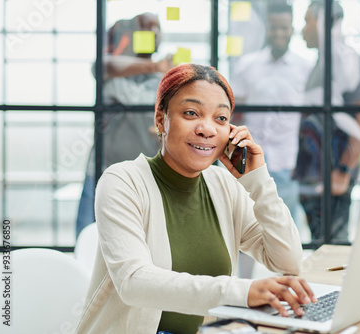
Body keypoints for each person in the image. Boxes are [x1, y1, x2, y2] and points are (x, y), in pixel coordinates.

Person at [74, 64, 316, 334]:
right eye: (191, 113)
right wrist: (244, 291)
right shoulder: (122, 181)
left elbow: (288, 261)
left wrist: (258, 180)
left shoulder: (224, 185)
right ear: (160, 119)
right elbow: (134, 283)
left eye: (221, 118)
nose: (207, 129)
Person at [76, 13, 174, 237]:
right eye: (145, 27)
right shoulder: (113, 72)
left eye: (156, 28)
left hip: (147, 177)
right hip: (103, 171)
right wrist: (154, 65)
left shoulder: (167, 79)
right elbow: (101, 66)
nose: (153, 33)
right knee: (90, 239)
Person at [294, 1, 360, 244]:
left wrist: (342, 170)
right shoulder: (322, 62)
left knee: (333, 249)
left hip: (332, 176)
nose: (302, 30)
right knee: (321, 246)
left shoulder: (344, 60)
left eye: (307, 21)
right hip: (315, 178)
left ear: (322, 22)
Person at [231, 1, 313, 228]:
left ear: (292, 30)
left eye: (284, 28)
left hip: (288, 164)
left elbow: (309, 120)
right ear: (266, 28)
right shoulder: (247, 65)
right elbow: (235, 116)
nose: (278, 33)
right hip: (251, 164)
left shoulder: (306, 69)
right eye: (274, 27)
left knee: (285, 234)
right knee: (245, 231)